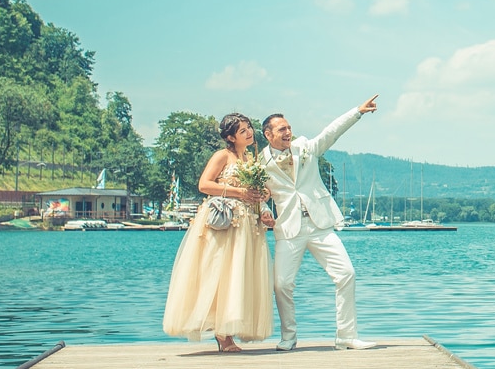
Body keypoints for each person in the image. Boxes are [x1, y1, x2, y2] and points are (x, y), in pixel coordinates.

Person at [261, 95, 379, 351]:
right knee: (281, 284)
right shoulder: (259, 163)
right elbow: (256, 193)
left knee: (346, 274)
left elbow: (330, 133)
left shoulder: (304, 146)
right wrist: (262, 210)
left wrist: (357, 112)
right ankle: (288, 337)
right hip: (289, 228)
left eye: (289, 128)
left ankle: (346, 336)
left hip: (319, 225)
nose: (288, 132)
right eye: (282, 129)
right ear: (268, 134)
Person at [162, 112, 275, 352]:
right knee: (221, 273)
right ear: (231, 137)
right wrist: (239, 193)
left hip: (247, 223)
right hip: (224, 223)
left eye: (248, 128)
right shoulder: (222, 156)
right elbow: (205, 185)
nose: (248, 132)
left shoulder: (251, 159)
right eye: (242, 130)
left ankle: (229, 330)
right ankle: (223, 336)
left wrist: (262, 199)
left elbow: (261, 190)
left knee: (239, 274)